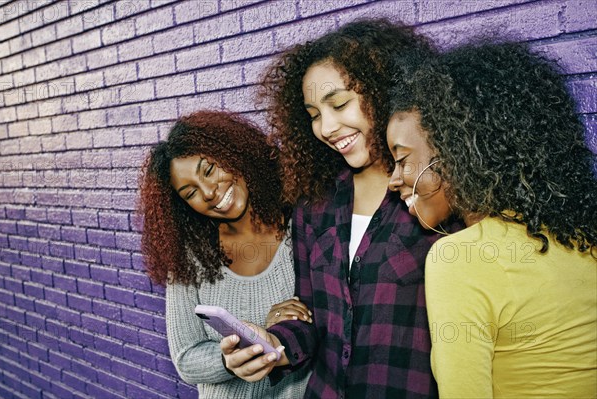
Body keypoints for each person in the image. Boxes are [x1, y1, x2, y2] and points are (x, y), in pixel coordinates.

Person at [221, 19, 460, 398]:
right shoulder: (315, 203)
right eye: (314, 114)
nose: (327, 127)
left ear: (385, 92)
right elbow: (311, 320)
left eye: (339, 104)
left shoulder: (436, 195)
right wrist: (271, 346)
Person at [386, 41, 597, 397]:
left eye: (403, 160)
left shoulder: (460, 260)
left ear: (455, 154)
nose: (393, 179)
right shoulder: (582, 235)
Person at [138, 110, 312, 399]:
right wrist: (228, 360)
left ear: (234, 152)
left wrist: (282, 330)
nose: (207, 192)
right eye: (190, 193)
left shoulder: (303, 225)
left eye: (209, 170)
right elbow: (185, 357)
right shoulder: (190, 257)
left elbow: (334, 321)